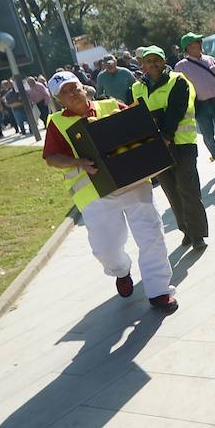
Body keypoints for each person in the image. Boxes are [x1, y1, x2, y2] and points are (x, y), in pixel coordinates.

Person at [43, 71, 178, 314]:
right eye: (64, 92)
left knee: (151, 235)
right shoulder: (57, 122)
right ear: (59, 100)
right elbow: (51, 158)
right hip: (95, 192)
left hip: (134, 181)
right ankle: (120, 270)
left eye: (74, 86)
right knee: (106, 247)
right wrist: (78, 162)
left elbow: (139, 129)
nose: (71, 93)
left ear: (85, 87)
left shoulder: (111, 105)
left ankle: (159, 291)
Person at [132, 46, 208, 250]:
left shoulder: (178, 80)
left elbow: (176, 111)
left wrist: (165, 137)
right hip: (157, 148)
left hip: (182, 143)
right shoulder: (137, 88)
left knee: (187, 189)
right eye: (149, 61)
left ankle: (198, 234)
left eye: (157, 59)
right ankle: (185, 230)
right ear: (143, 64)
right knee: (171, 191)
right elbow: (139, 117)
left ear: (164, 61)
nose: (153, 64)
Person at [173, 33, 215, 176]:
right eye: (196, 42)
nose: (199, 44)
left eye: (199, 41)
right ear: (188, 47)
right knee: (208, 136)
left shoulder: (210, 59)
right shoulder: (180, 67)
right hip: (200, 105)